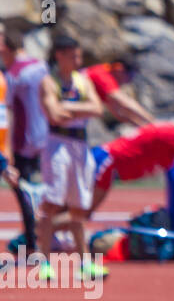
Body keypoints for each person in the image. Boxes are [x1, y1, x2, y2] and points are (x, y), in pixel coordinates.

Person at [35, 35, 104, 281]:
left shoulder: (82, 81)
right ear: (59, 56)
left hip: (80, 144)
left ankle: (84, 261)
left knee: (78, 206)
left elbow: (97, 109)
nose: (77, 60)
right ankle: (42, 261)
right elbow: (53, 114)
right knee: (52, 203)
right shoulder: (49, 82)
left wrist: (67, 107)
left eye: (79, 55)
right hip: (57, 143)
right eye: (73, 55)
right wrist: (77, 107)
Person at [1, 25, 49, 254]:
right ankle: (41, 239)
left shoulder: (12, 76)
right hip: (47, 139)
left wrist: (7, 148)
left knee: (26, 194)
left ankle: (32, 243)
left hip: (24, 142)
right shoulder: (41, 66)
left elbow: (7, 112)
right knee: (43, 193)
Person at [82, 58, 153, 128]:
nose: (127, 82)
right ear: (119, 68)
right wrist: (153, 122)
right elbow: (125, 102)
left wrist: (146, 128)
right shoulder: (102, 74)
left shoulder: (105, 80)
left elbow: (119, 113)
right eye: (130, 76)